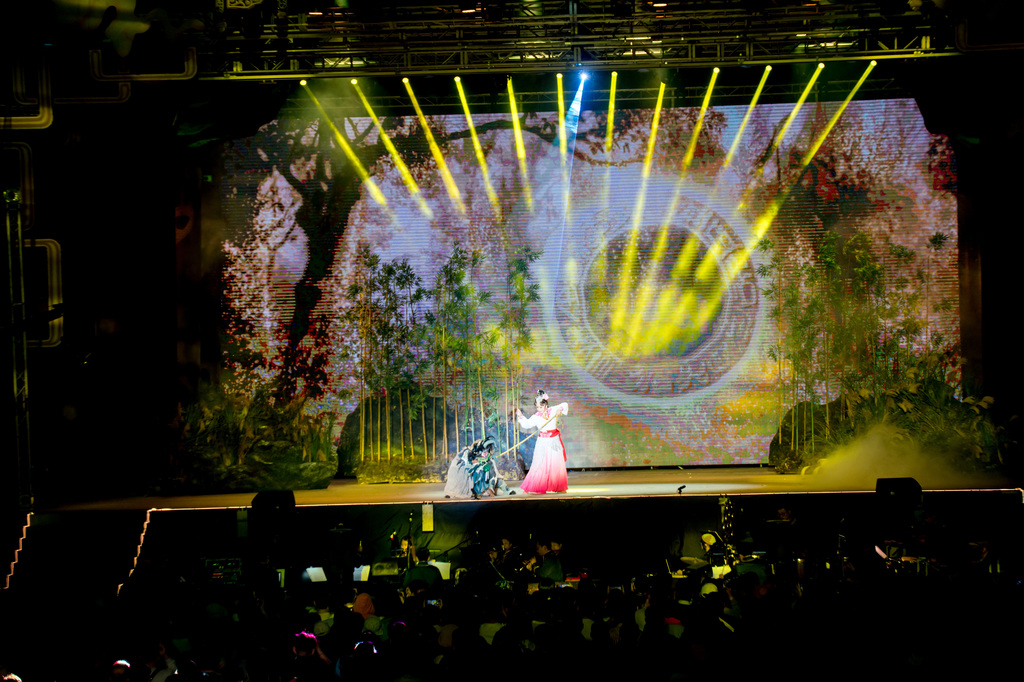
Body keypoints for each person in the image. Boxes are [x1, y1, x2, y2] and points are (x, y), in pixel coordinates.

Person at [515, 390, 569, 493]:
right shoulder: (536, 416)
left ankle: (558, 486)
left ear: (546, 405)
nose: (539, 409)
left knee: (556, 462)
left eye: (541, 406)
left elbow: (565, 404)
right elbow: (527, 424)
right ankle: (537, 486)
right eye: (537, 407)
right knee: (540, 462)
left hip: (554, 440)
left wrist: (560, 409)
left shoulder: (553, 410)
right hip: (542, 441)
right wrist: (520, 416)